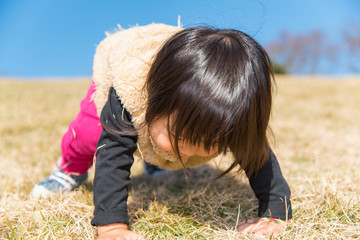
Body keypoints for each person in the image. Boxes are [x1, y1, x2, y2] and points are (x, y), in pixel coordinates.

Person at [31, 23, 292, 238]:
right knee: (90, 135)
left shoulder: (226, 114)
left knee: (162, 145)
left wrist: (274, 213)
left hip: (172, 69)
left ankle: (155, 163)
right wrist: (112, 227)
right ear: (155, 100)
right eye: (179, 136)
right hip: (118, 66)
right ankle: (69, 169)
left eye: (207, 141)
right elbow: (114, 157)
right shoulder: (128, 94)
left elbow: (258, 156)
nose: (187, 150)